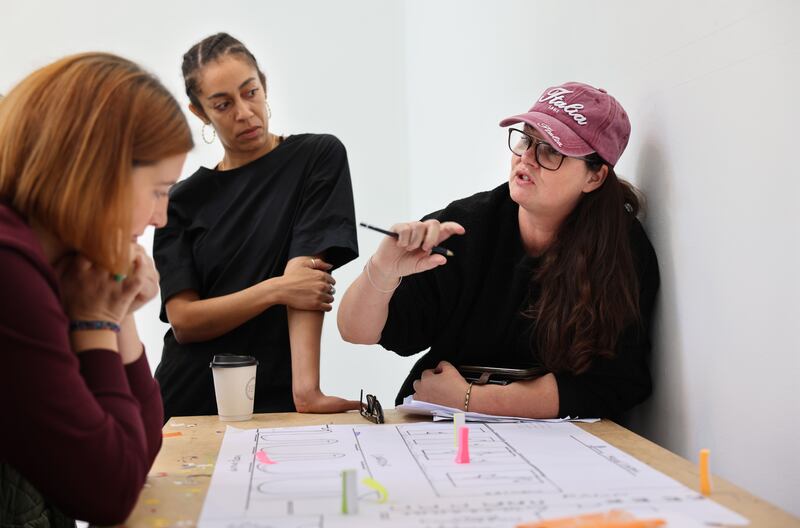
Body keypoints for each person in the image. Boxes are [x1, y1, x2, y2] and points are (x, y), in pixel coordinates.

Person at [338, 82, 660, 420]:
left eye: (551, 150)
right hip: (440, 427)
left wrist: (469, 399)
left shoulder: (621, 250)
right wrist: (383, 270)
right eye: (526, 139)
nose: (526, 158)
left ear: (594, 177)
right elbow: (355, 331)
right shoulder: (463, 228)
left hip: (556, 443)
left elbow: (613, 383)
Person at [0, 53, 192, 525]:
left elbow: (139, 453)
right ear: (96, 173)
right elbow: (107, 493)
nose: (160, 218)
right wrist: (96, 321)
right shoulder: (9, 265)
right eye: (158, 190)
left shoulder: (42, 261)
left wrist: (116, 307)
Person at [153, 33, 360, 420]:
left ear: (263, 84)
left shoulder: (316, 157)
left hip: (270, 399)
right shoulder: (181, 201)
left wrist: (307, 392)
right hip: (184, 402)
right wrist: (275, 289)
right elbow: (184, 321)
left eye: (250, 92)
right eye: (223, 104)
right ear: (200, 112)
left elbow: (306, 277)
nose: (245, 112)